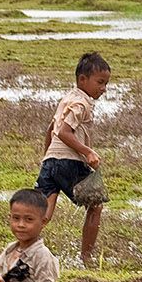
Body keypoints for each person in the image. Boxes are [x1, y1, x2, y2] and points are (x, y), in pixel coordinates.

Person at [36, 51, 111, 267]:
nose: (103, 88)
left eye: (106, 83)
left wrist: (47, 160)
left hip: (51, 162)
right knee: (96, 206)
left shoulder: (66, 99)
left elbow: (51, 130)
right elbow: (64, 132)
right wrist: (87, 152)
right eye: (100, 82)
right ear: (82, 80)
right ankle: (86, 259)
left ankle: (22, 251)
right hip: (69, 162)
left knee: (44, 214)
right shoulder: (81, 104)